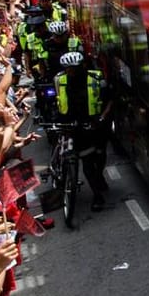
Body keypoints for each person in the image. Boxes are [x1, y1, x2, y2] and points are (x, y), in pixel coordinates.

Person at [52, 49, 112, 211]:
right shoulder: (59, 80)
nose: (71, 72)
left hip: (90, 125)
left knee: (89, 162)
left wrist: (101, 119)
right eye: (68, 69)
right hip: (68, 125)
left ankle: (97, 196)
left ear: (82, 66)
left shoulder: (96, 78)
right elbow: (56, 100)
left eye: (75, 68)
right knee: (65, 154)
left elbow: (109, 100)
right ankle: (59, 177)